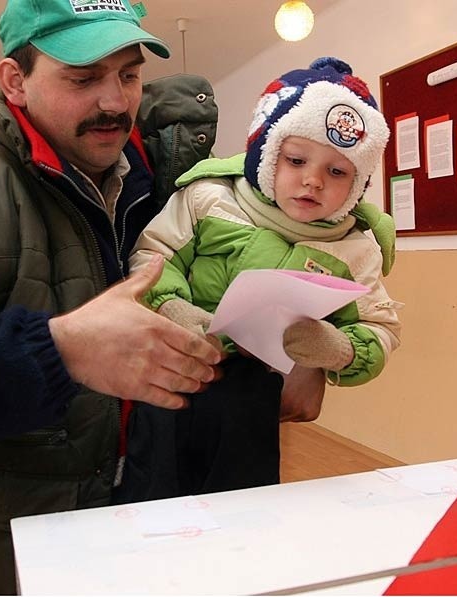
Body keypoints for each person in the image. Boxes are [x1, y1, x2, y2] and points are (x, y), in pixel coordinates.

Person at [0, 1, 328, 595]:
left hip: (184, 544)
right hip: (16, 565)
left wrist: (306, 352)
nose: (116, 101)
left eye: (128, 73)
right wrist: (59, 351)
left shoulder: (191, 192)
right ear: (15, 81)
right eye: (83, 77)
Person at [118, 57, 402, 502]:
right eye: (295, 159)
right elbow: (154, 254)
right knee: (152, 500)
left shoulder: (356, 249)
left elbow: (381, 327)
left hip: (254, 400)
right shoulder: (210, 198)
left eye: (337, 171)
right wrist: (172, 306)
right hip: (171, 376)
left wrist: (336, 348)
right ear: (266, 153)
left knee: (244, 508)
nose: (312, 181)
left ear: (359, 182)